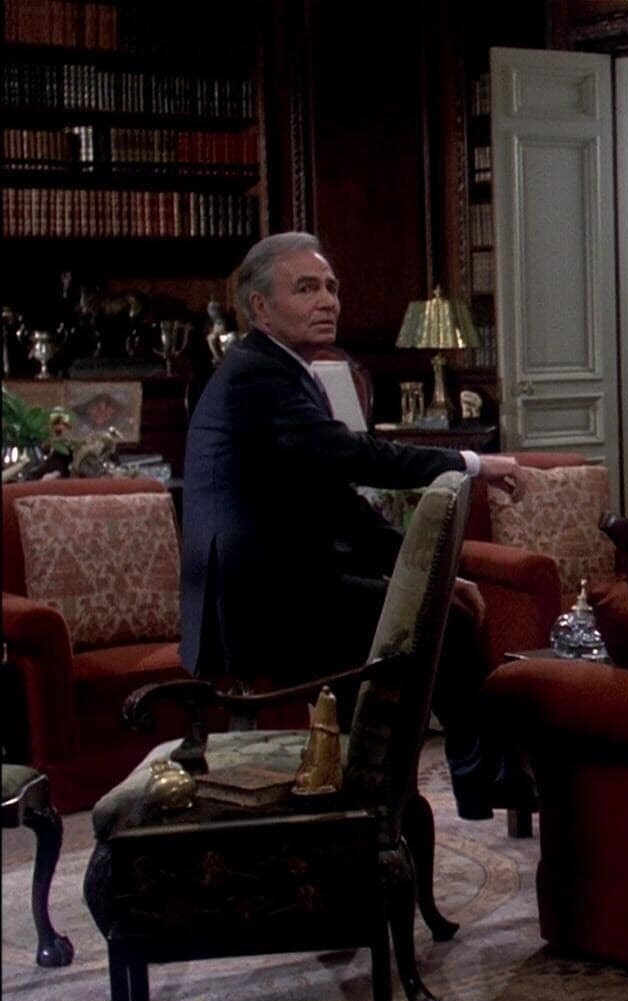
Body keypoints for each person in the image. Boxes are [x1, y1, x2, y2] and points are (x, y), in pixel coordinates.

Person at [181, 231, 529, 818]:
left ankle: (401, 787)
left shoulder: (280, 370)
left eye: (331, 287)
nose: (328, 301)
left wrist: (426, 576)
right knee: (441, 622)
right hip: (256, 607)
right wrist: (473, 462)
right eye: (306, 288)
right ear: (260, 306)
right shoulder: (257, 377)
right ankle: (466, 778)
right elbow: (355, 456)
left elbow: (337, 501)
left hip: (286, 587)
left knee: (438, 611)